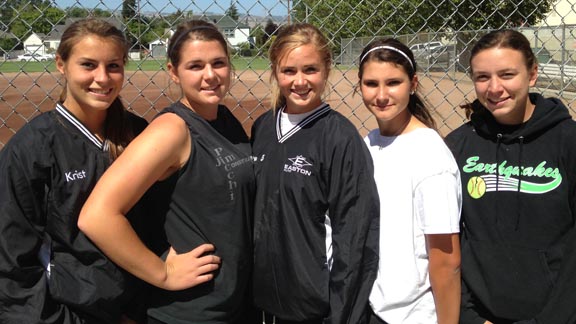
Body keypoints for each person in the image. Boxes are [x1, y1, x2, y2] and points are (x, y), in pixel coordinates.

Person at [78, 19, 256, 324]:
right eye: (195, 66)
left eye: (218, 63)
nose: (210, 75)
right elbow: (96, 216)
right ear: (174, 72)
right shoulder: (172, 130)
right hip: (189, 311)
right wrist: (163, 273)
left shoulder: (224, 118)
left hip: (232, 303)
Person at [0, 18, 150, 323]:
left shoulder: (139, 134)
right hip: (70, 312)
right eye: (88, 65)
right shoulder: (32, 149)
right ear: (61, 64)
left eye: (113, 66)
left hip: (139, 307)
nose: (102, 78)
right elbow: (13, 265)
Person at [250, 22, 380, 324]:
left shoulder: (340, 138)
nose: (300, 81)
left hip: (312, 307)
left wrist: (341, 314)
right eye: (288, 71)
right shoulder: (263, 127)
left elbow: (355, 237)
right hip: (262, 298)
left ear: (326, 69)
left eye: (310, 69)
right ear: (274, 71)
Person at [445, 29, 576, 324]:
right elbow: (448, 240)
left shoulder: (567, 141)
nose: (494, 88)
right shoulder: (457, 145)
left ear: (532, 74)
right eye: (482, 77)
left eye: (507, 74)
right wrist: (469, 316)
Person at [358, 38, 462, 324]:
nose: (381, 94)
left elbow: (446, 260)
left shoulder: (430, 155)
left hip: (413, 315)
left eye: (393, 82)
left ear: (413, 84)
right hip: (374, 305)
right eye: (371, 83)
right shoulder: (369, 142)